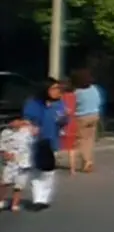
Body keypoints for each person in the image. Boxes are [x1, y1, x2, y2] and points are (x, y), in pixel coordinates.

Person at [23, 78, 68, 210]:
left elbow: (63, 120)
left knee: (49, 170)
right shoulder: (33, 103)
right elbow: (28, 119)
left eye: (59, 88)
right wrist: (32, 126)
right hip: (36, 140)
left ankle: (45, 197)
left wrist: (64, 119)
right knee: (36, 170)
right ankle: (38, 199)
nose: (57, 91)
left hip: (51, 139)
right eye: (54, 88)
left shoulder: (59, 104)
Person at [0, 117, 36, 212]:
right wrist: (5, 154)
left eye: (15, 121)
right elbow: (2, 146)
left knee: (19, 185)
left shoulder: (27, 131)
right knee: (4, 182)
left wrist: (28, 123)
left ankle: (14, 205)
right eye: (11, 121)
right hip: (10, 161)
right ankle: (1, 201)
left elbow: (37, 132)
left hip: (23, 161)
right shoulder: (5, 132)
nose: (13, 123)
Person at [72, 69, 103, 173]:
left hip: (81, 117)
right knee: (89, 139)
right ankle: (89, 160)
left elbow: (73, 106)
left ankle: (86, 161)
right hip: (94, 115)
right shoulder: (94, 89)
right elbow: (99, 101)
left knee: (80, 140)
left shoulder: (77, 93)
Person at [60, 80, 78, 175]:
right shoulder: (74, 96)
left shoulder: (61, 98)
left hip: (62, 123)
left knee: (54, 144)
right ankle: (72, 169)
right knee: (72, 148)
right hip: (72, 123)